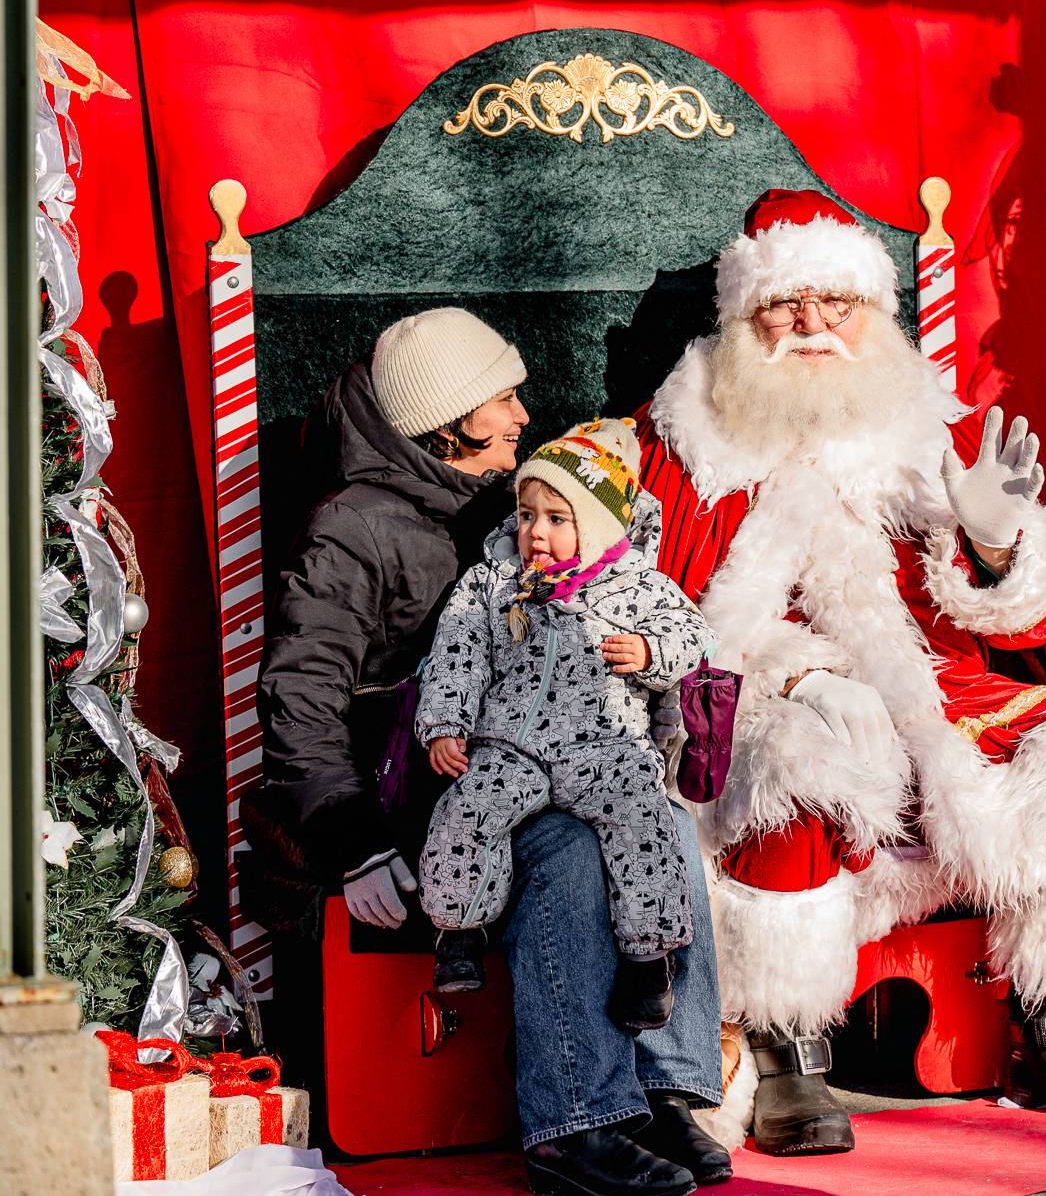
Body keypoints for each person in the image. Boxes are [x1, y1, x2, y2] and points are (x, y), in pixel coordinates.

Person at [633, 188, 1046, 1156]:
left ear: (870, 314)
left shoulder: (921, 423)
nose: (811, 327)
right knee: (794, 765)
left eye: (835, 305)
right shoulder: (691, 434)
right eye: (787, 308)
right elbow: (664, 601)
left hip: (934, 683)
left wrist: (996, 549)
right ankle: (790, 1052)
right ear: (746, 319)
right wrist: (784, 671)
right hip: (768, 682)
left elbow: (1022, 619)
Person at [255, 309, 730, 1195]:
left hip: (548, 746)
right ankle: (574, 1123)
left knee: (658, 816)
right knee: (568, 848)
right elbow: (301, 693)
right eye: (503, 398)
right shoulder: (351, 530)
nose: (522, 414)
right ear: (447, 420)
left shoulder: (512, 502)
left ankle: (663, 1089)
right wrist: (354, 840)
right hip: (436, 780)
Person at [417, 418, 718, 1034]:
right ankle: (460, 928)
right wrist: (447, 722)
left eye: (557, 519)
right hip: (515, 745)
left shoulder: (635, 585)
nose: (536, 533)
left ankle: (648, 958)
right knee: (467, 809)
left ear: (597, 525)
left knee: (644, 823)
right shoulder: (494, 585)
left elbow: (693, 636)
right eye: (527, 515)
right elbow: (457, 654)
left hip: (603, 745)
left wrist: (648, 651)